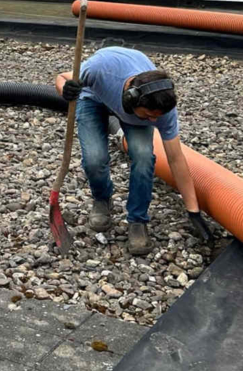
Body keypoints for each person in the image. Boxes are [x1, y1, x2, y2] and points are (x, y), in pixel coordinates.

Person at [55, 47, 210, 255]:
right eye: (148, 115)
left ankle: (138, 220)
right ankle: (102, 199)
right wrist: (65, 90)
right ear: (131, 99)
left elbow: (175, 158)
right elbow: (62, 77)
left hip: (131, 103)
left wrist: (193, 210)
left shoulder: (162, 109)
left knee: (144, 157)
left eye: (157, 116)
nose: (154, 121)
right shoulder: (100, 69)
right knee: (94, 158)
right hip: (93, 98)